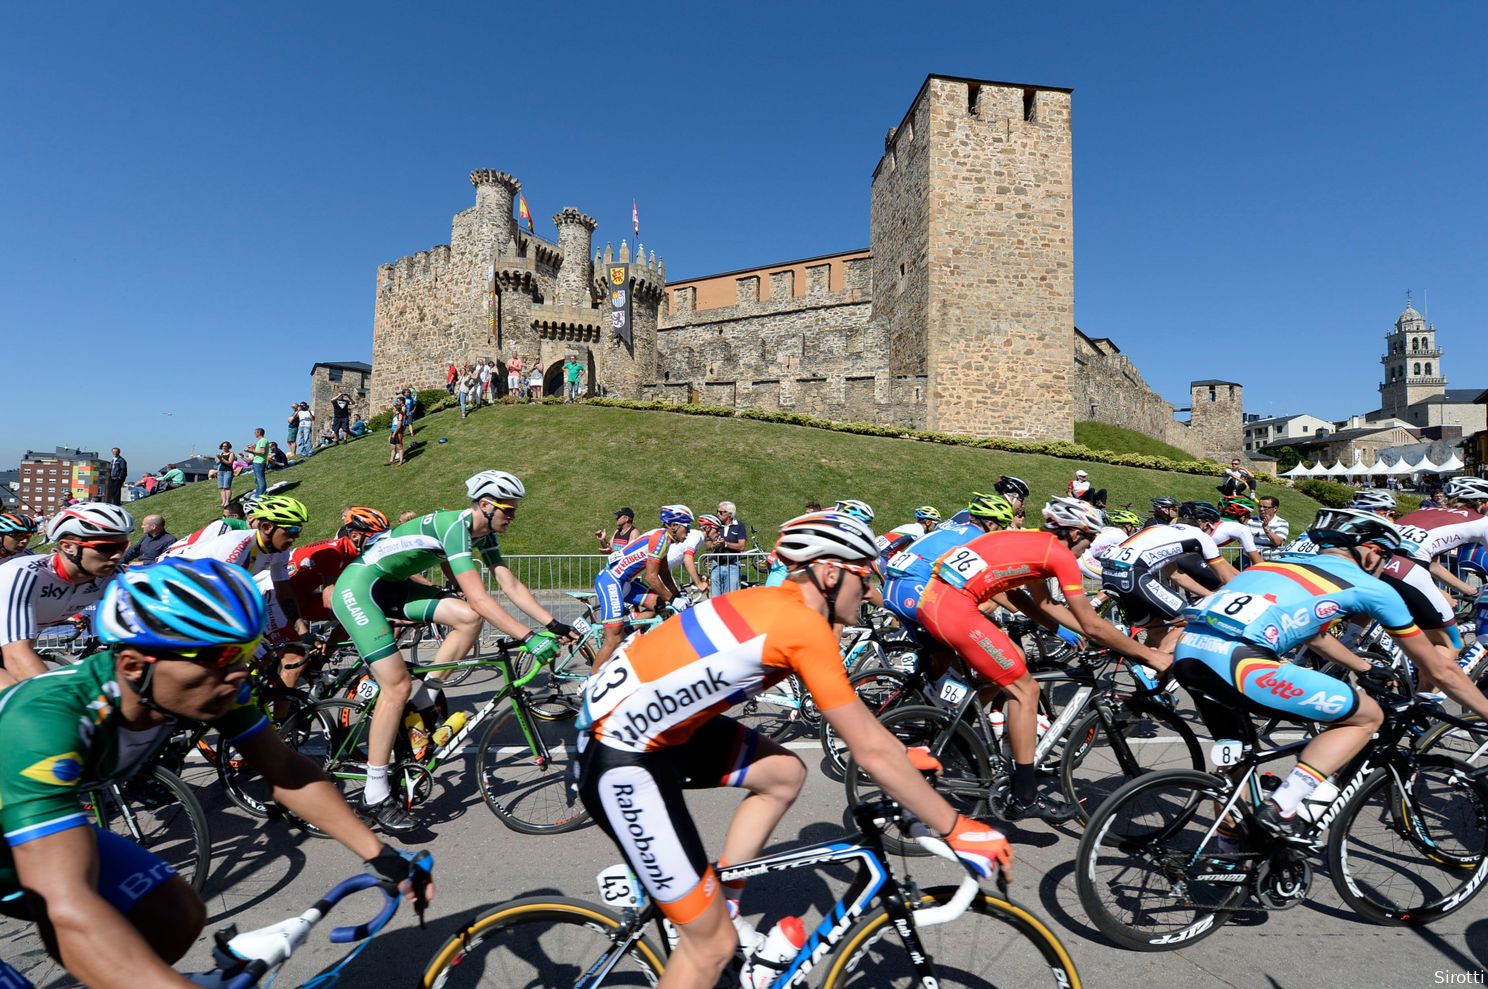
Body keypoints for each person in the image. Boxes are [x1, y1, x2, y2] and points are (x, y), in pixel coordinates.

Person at [575, 510, 1010, 989]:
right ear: (829, 573)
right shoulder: (800, 626)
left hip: (645, 728)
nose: (871, 592)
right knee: (709, 948)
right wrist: (958, 828)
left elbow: (855, 724)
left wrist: (898, 755)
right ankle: (712, 931)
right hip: (620, 755)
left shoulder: (778, 603)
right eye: (865, 577)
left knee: (783, 772)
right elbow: (868, 749)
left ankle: (727, 904)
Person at [0, 557, 433, 989]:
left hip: (20, 832)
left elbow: (285, 769)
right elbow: (68, 905)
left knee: (176, 915)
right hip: (18, 831)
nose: (238, 674)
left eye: (243, 652)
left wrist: (381, 855)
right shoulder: (45, 723)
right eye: (221, 656)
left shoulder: (206, 685)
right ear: (134, 664)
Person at [1173, 509, 1488, 842]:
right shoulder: (1370, 587)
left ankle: (1231, 854)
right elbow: (1440, 668)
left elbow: (1314, 634)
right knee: (1368, 717)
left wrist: (1365, 667)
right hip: (1240, 664)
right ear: (1371, 552)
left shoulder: (1271, 565)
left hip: (1189, 654)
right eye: (1385, 556)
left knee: (1240, 764)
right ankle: (1283, 807)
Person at [330, 471, 575, 831]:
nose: (513, 516)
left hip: (394, 587)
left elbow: (508, 582)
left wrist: (550, 624)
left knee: (468, 619)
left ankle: (425, 701)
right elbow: (478, 593)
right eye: (508, 509)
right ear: (486, 505)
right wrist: (528, 637)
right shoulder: (455, 527)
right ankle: (374, 793)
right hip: (360, 587)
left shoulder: (484, 532)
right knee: (396, 686)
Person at [917, 497, 1170, 822]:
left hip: (935, 600)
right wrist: (1148, 654)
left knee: (1007, 674)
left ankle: (966, 740)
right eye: (1089, 540)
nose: (1088, 549)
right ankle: (1024, 795)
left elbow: (1041, 602)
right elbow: (1092, 623)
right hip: (956, 609)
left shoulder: (1033, 542)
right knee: (1026, 691)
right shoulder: (1059, 554)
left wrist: (1061, 631)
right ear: (1076, 533)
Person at [0, 503, 135, 687]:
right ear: (67, 546)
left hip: (9, 645)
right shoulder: (22, 574)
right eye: (106, 548)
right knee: (18, 702)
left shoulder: (110, 576)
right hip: (11, 649)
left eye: (123, 546)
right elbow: (17, 655)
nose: (117, 556)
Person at [1099, 499, 1241, 654]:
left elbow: (1176, 575)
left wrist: (1210, 595)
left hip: (1110, 574)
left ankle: (1141, 667)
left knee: (1156, 631)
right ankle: (1150, 668)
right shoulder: (1200, 536)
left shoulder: (1160, 529)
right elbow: (1226, 575)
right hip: (1133, 575)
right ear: (1205, 523)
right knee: (1191, 622)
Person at [590, 506, 693, 670]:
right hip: (611, 580)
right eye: (686, 527)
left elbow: (664, 573)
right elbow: (651, 577)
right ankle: (591, 681)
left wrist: (677, 596)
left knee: (658, 605)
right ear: (674, 525)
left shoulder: (664, 539)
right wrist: (674, 599)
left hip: (626, 582)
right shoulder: (660, 538)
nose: (688, 532)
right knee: (613, 638)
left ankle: (624, 637)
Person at [666, 509, 714, 594]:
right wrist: (699, 584)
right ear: (708, 528)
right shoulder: (696, 536)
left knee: (673, 600)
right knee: (673, 600)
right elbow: (687, 559)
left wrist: (698, 576)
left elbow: (684, 560)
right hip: (660, 568)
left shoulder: (698, 538)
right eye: (717, 529)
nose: (718, 533)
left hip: (664, 569)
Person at [1213, 496, 1265, 567]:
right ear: (1243, 514)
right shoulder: (1241, 529)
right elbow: (1257, 561)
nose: (1250, 517)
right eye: (1249, 514)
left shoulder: (1214, 522)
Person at [711, 501, 748, 596]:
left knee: (730, 597)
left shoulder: (739, 526)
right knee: (715, 597)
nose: (717, 514)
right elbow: (709, 545)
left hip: (733, 565)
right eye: (717, 511)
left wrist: (726, 544)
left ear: (730, 514)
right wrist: (715, 544)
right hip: (717, 565)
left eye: (721, 512)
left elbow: (742, 546)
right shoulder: (715, 525)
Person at [211, 441, 236, 508]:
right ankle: (223, 501)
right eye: (223, 446)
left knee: (227, 487)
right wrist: (218, 459)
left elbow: (230, 463)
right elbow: (218, 463)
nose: (224, 447)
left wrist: (221, 459)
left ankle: (227, 501)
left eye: (225, 446)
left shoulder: (231, 454)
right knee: (221, 488)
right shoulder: (221, 453)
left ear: (228, 447)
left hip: (228, 471)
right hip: (220, 471)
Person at [249, 427, 269, 496]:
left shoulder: (263, 440)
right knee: (257, 480)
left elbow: (262, 452)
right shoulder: (260, 441)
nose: (254, 434)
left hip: (259, 462)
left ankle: (261, 494)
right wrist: (252, 449)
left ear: (258, 433)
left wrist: (251, 450)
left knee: (260, 479)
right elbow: (257, 452)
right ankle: (258, 494)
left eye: (255, 432)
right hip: (257, 461)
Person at [388, 400, 406, 466]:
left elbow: (398, 426)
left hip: (398, 433)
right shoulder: (395, 416)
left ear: (396, 409)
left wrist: (394, 434)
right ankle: (391, 461)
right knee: (392, 447)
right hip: (393, 433)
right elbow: (393, 426)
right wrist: (391, 434)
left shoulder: (400, 415)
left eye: (393, 408)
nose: (392, 410)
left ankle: (401, 461)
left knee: (399, 447)